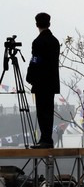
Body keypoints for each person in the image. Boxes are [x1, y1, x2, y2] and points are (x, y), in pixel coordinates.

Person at [26, 12, 60, 149]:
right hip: (51, 82)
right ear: (49, 23)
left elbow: (35, 60)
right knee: (48, 111)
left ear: (37, 24)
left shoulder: (38, 42)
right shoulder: (54, 41)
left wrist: (30, 76)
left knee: (41, 111)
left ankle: (44, 139)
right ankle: (47, 138)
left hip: (41, 82)